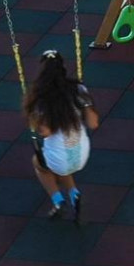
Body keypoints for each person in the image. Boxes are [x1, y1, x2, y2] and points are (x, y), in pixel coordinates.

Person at [24, 50, 97, 222]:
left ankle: (57, 200)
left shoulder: (41, 99)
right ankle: (73, 193)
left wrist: (34, 118)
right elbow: (93, 123)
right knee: (62, 163)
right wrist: (86, 104)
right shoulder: (79, 90)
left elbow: (45, 132)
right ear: (63, 69)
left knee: (39, 163)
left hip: (60, 159)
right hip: (82, 154)